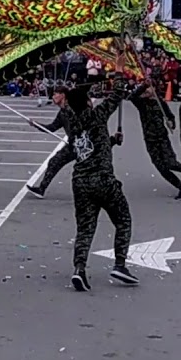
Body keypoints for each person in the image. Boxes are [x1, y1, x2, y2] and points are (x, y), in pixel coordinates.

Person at [65, 76, 138, 291]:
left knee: (85, 229)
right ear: (88, 102)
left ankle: (79, 269)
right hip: (103, 180)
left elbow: (88, 149)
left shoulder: (73, 123)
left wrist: (112, 140)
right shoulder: (97, 115)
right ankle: (120, 264)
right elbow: (117, 95)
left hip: (80, 182)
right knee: (123, 220)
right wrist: (119, 70)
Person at [129, 83, 181, 200]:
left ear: (154, 89)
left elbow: (170, 116)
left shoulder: (160, 102)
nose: (146, 91)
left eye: (149, 88)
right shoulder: (141, 103)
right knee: (161, 167)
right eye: (145, 89)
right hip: (150, 140)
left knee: (171, 163)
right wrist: (144, 84)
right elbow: (131, 97)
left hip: (162, 138)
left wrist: (171, 123)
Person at [25, 85, 74, 199]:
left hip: (83, 144)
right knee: (54, 162)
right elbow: (52, 128)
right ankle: (41, 189)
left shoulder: (71, 109)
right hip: (73, 144)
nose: (53, 97)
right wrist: (36, 125)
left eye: (55, 94)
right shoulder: (62, 112)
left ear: (63, 95)